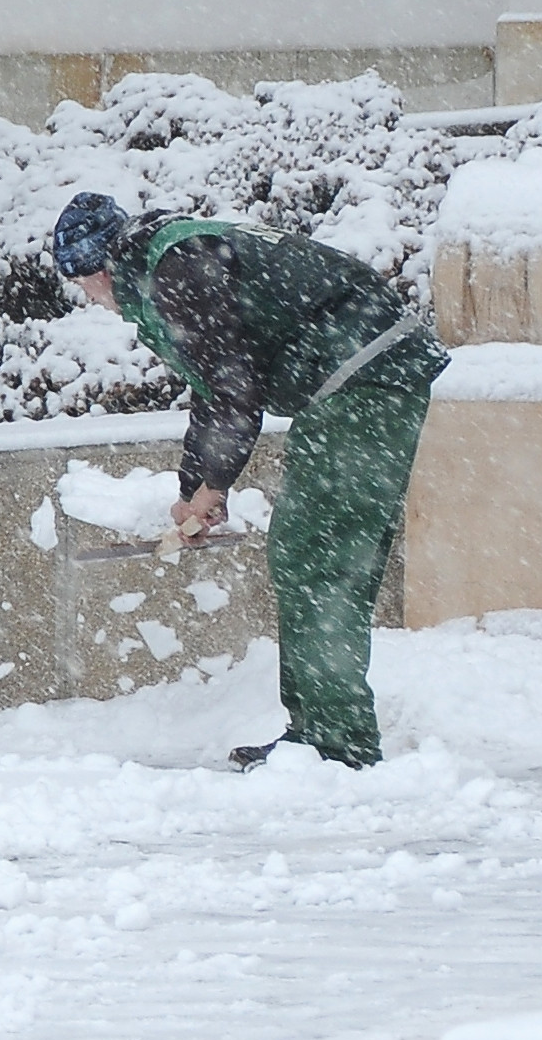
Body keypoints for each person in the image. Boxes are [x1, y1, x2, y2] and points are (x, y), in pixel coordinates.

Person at [50, 193, 448, 770]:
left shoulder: (175, 269)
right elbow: (215, 387)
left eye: (84, 284)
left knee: (319, 558)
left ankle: (339, 745)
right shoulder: (170, 259)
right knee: (304, 555)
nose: (90, 298)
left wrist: (215, 485)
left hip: (367, 377)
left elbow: (237, 391)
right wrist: (193, 489)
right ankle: (317, 734)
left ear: (98, 269)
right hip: (357, 378)